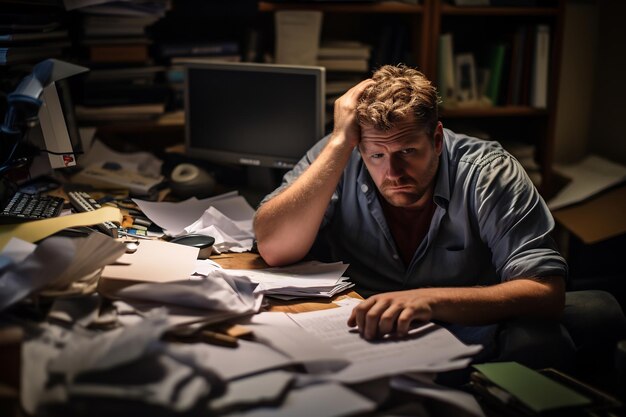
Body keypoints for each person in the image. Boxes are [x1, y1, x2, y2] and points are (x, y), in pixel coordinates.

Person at [253, 64, 625, 371]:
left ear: (436, 139)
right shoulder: (341, 153)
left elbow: (546, 291)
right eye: (376, 156)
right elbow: (273, 249)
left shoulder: (488, 173)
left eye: (408, 151)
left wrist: (429, 299)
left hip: (461, 331)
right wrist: (339, 143)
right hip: (359, 333)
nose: (393, 172)